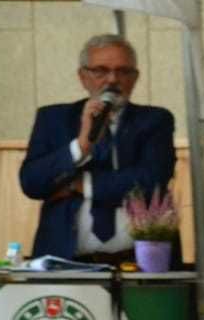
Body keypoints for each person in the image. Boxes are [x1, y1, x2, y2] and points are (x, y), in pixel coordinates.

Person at [18, 34, 176, 263]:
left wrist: (80, 184)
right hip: (66, 262)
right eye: (100, 70)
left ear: (135, 77)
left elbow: (152, 181)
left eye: (123, 71)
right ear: (83, 77)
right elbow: (32, 183)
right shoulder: (53, 118)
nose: (112, 79)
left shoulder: (154, 120)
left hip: (142, 263)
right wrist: (80, 146)